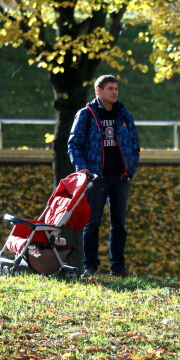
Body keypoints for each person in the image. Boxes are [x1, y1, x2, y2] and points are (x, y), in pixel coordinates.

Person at [68, 74, 140, 277]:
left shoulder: (124, 115)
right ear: (99, 91)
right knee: (92, 224)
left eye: (116, 88)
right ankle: (90, 267)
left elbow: (134, 145)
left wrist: (130, 169)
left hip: (119, 178)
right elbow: (74, 144)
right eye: (110, 88)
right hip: (95, 178)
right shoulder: (86, 114)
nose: (115, 92)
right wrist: (81, 167)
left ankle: (118, 267)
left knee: (119, 225)